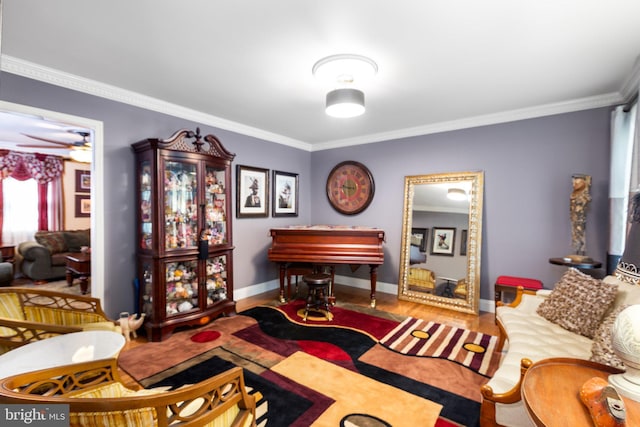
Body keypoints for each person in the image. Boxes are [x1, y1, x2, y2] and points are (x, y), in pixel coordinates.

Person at [570, 174, 591, 255]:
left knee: (580, 234)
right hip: (574, 217)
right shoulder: (573, 195)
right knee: (575, 234)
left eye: (576, 183)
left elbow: (585, 203)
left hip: (580, 218)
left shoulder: (583, 195)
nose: (574, 185)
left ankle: (581, 251)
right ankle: (576, 250)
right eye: (574, 183)